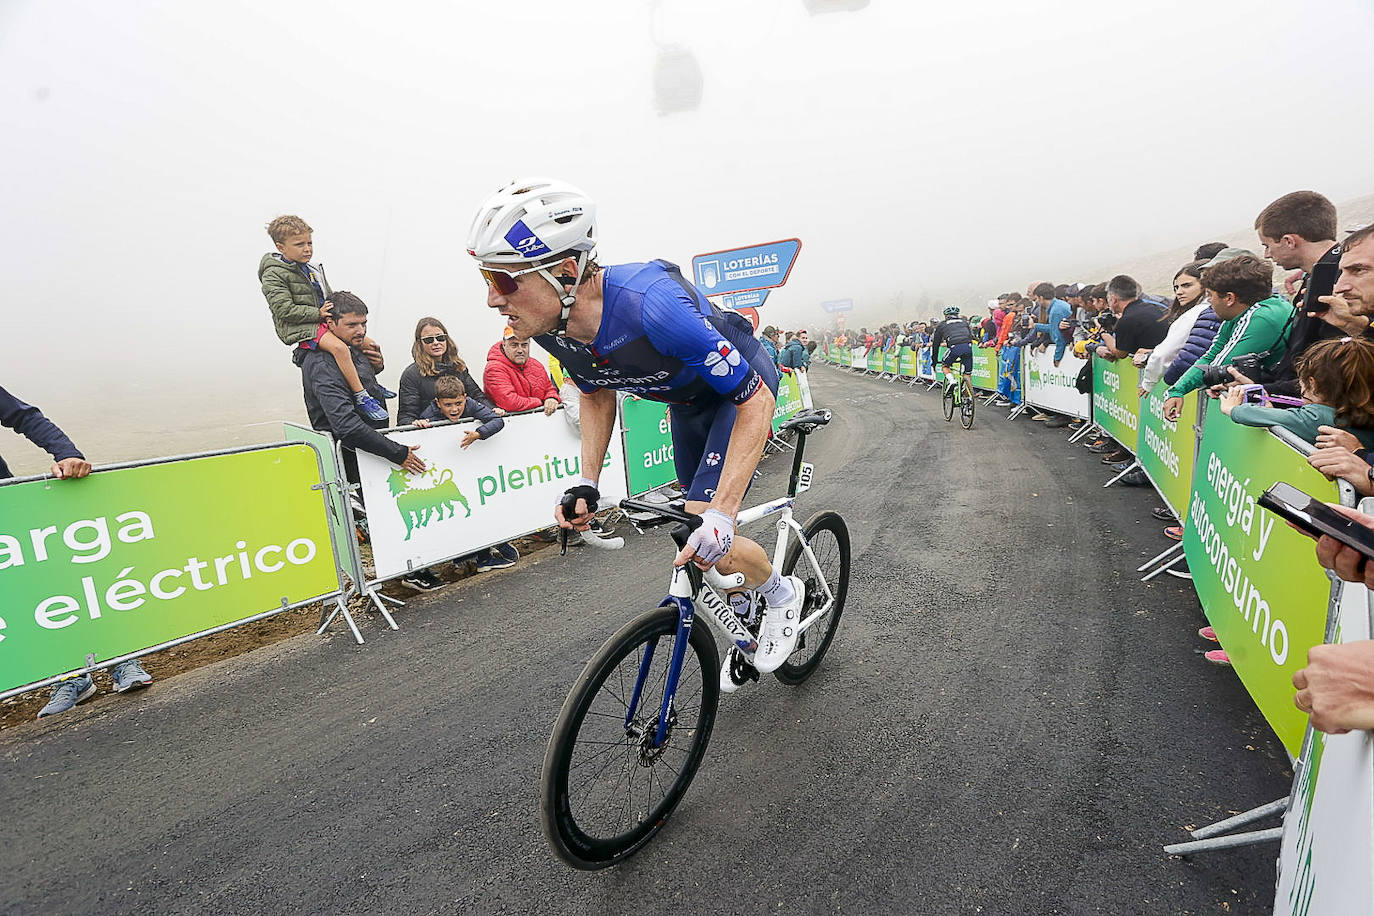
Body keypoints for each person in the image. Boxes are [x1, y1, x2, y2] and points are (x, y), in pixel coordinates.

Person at [466, 177, 803, 688]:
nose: (493, 299)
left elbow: (754, 399)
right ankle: (745, 607)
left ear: (564, 272)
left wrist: (723, 511)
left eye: (505, 281)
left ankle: (781, 594)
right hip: (689, 405)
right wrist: (588, 483)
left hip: (741, 391)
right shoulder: (551, 330)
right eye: (486, 279)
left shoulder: (652, 305)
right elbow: (597, 392)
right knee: (703, 544)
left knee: (709, 530)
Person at [1, 387, 153, 717]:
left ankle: (118, 660)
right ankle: (70, 677)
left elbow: (24, 416)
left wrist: (65, 454)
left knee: (58, 584)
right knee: (18, 602)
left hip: (5, 508)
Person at [296, 292, 436, 590]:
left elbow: (363, 388)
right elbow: (344, 423)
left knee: (390, 512)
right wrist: (396, 452)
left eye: (364, 323)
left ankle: (408, 568)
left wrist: (376, 367)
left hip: (372, 449)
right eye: (352, 325)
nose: (360, 330)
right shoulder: (322, 362)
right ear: (329, 323)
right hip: (351, 455)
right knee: (376, 520)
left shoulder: (351, 349)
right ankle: (399, 573)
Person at [259, 215, 392, 421]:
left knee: (366, 342)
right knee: (340, 348)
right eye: (299, 244)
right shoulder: (273, 274)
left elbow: (328, 295)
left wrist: (341, 310)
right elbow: (283, 310)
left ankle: (371, 385)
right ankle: (361, 396)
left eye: (309, 243)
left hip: (322, 320)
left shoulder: (312, 268)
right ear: (281, 247)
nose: (307, 249)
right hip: (302, 326)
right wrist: (317, 314)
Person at [1162, 254, 1294, 422]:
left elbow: (1218, 367)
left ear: (1230, 298)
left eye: (1210, 295)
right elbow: (1212, 355)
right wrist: (1177, 390)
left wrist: (1186, 387)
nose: (1209, 302)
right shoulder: (1250, 310)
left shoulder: (1259, 317)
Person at [413, 375, 520, 572]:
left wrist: (478, 434)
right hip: (447, 476)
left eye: (458, 403)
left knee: (476, 506)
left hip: (472, 471)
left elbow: (497, 421)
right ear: (438, 403)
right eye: (448, 405)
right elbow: (418, 427)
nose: (454, 409)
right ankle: (471, 557)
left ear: (465, 397)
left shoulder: (471, 404)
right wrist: (421, 425)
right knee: (458, 512)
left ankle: (483, 553)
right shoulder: (431, 411)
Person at [1251, 191, 1346, 397]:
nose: (1267, 255)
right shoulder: (1318, 274)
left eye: (1267, 245)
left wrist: (1263, 391)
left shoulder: (1338, 283)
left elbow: (1330, 372)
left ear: (1289, 241)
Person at [1219, 336, 1374, 448]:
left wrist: (1233, 408)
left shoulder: (1317, 417)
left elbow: (1254, 415)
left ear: (1313, 384)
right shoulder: (1364, 414)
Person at [397, 317, 500, 426]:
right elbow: (406, 415)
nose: (436, 343)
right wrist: (415, 424)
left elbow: (477, 395)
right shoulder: (411, 375)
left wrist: (493, 409)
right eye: (429, 340)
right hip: (429, 432)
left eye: (440, 338)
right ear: (420, 343)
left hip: (463, 430)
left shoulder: (459, 367)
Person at [1139, 262, 1211, 397]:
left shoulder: (1194, 314)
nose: (1179, 292)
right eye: (1176, 287)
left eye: (1187, 285)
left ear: (1204, 284)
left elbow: (1164, 354)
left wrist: (1148, 382)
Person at [483, 329, 561, 416]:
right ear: (504, 344)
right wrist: (540, 402)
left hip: (541, 423)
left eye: (524, 345)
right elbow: (509, 402)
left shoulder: (536, 364)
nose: (520, 350)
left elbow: (549, 388)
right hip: (511, 426)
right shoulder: (494, 369)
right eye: (514, 345)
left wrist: (551, 398)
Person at [929, 306, 974, 382]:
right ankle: (969, 392)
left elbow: (935, 345)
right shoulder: (964, 322)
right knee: (967, 373)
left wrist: (934, 361)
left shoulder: (942, 324)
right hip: (967, 346)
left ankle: (952, 381)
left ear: (946, 316)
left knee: (945, 365)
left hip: (954, 347)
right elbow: (971, 336)